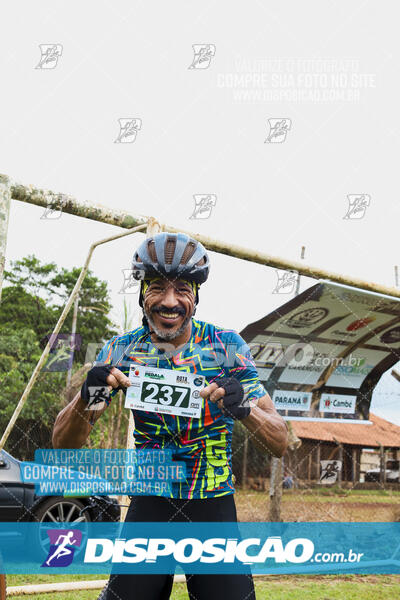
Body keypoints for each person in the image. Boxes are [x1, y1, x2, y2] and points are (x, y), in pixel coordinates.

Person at [52, 232, 288, 600]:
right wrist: (88, 395)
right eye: (157, 288)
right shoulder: (121, 350)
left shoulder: (226, 347)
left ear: (197, 296)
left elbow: (279, 441)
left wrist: (244, 410)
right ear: (141, 290)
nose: (169, 301)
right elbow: (63, 444)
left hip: (211, 500)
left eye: (182, 289)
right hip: (150, 499)